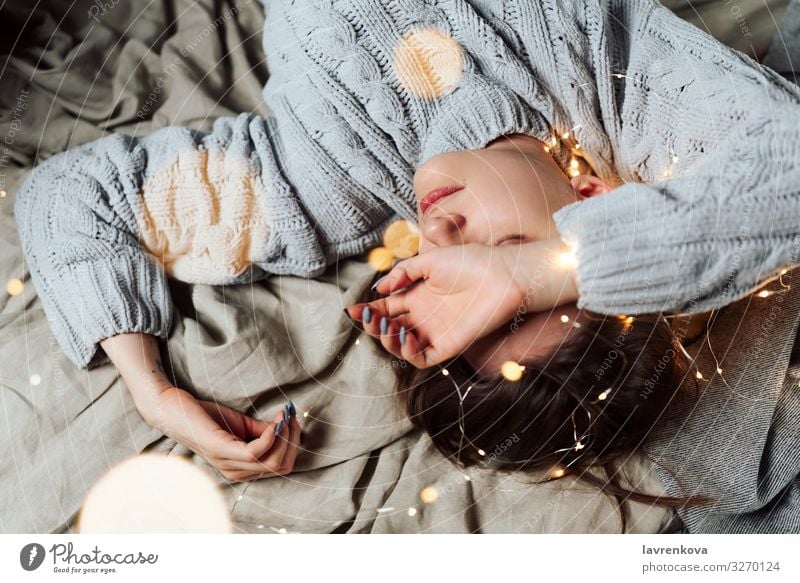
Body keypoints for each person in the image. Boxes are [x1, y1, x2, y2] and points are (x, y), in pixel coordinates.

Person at [13, 0, 800, 515]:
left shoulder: (326, 176)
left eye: (447, 280)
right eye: (498, 263)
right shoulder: (611, 74)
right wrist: (538, 275)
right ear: (597, 203)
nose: (445, 240)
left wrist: (150, 391)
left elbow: (76, 199)